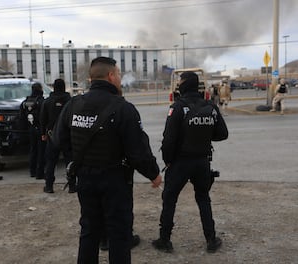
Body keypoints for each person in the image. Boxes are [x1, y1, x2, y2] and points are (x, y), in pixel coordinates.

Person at [53, 57, 162, 264]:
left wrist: (76, 159)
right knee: (119, 234)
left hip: (85, 178)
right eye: (118, 74)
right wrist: (153, 174)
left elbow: (58, 139)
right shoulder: (123, 108)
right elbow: (138, 151)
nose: (120, 79)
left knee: (89, 231)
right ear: (111, 76)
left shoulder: (73, 105)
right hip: (115, 180)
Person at [153, 71, 228, 253]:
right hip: (202, 161)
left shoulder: (178, 107)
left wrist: (168, 161)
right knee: (203, 199)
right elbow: (222, 134)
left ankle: (165, 240)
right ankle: (211, 239)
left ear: (183, 85)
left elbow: (169, 139)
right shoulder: (210, 107)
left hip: (180, 163)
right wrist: (204, 135)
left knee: (170, 200)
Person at [39, 78, 74, 193]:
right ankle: (72, 185)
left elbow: (43, 119)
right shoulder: (71, 101)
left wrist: (43, 133)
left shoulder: (48, 101)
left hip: (52, 135)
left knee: (51, 162)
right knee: (69, 161)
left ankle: (49, 186)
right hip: (68, 135)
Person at [20, 83, 46, 179]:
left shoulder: (25, 102)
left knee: (33, 150)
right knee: (41, 151)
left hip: (30, 128)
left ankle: (32, 171)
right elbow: (44, 116)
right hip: (40, 128)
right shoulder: (41, 101)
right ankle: (40, 172)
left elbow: (21, 117)